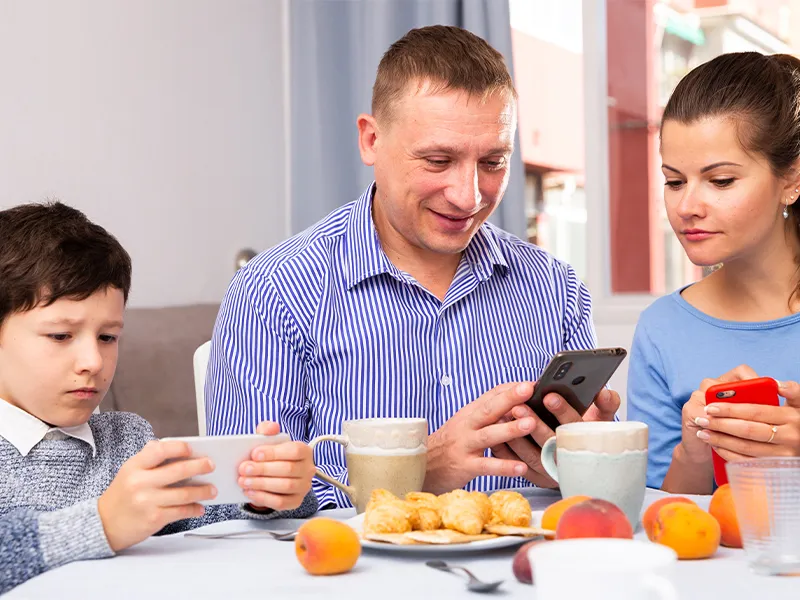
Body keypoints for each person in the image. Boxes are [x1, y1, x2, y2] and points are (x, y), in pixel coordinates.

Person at [205, 25, 620, 508]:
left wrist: (581, 462)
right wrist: (418, 472)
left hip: (524, 571)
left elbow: (590, 486)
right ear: (371, 140)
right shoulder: (273, 290)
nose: (469, 195)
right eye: (438, 160)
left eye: (493, 162)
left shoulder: (555, 286)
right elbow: (241, 507)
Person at [0, 202, 318, 594]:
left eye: (107, 337)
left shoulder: (128, 440)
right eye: (60, 336)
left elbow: (202, 517)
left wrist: (264, 495)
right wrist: (104, 523)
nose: (92, 361)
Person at [627, 51, 800, 494]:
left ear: (792, 179)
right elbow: (669, 518)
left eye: (721, 181)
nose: (686, 207)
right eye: (674, 181)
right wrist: (694, 451)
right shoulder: (663, 328)